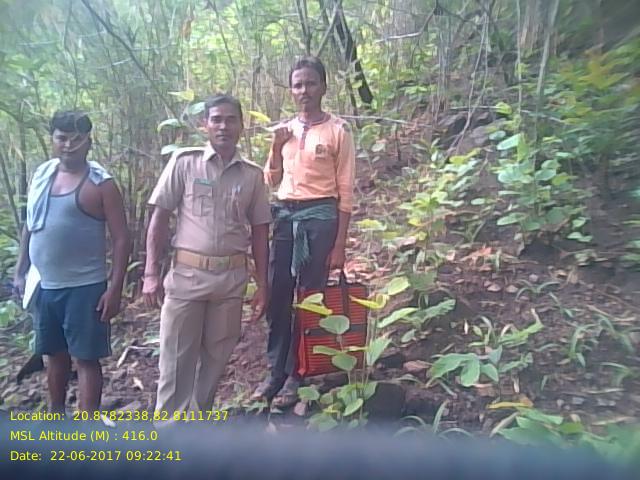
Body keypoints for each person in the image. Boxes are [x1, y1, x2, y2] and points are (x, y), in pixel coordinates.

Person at [143, 94, 271, 418]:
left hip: (230, 282)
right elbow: (159, 217)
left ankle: (198, 429)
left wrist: (262, 284)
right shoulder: (185, 163)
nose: (223, 126)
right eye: (216, 119)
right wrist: (150, 273)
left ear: (241, 126)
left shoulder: (252, 175)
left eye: (230, 120)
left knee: (216, 361)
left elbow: (260, 231)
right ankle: (168, 435)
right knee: (176, 362)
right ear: (205, 125)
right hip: (187, 278)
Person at [253, 56, 356, 407]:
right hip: (285, 217)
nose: (304, 90)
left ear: (323, 87)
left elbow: (345, 193)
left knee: (310, 297)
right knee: (277, 294)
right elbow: (272, 180)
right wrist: (275, 146)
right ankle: (275, 372)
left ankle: (299, 372)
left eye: (311, 83)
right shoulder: (284, 131)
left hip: (320, 218)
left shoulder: (338, 131)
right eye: (298, 85)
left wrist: (340, 245)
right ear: (291, 90)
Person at [12, 110, 131, 413]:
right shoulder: (43, 175)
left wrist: (114, 288)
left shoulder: (101, 184)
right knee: (54, 354)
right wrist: (20, 270)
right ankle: (56, 416)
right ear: (53, 139)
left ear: (88, 142)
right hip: (45, 285)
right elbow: (30, 224)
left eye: (77, 139)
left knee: (86, 358)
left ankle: (87, 425)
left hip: (85, 286)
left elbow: (121, 238)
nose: (69, 145)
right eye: (62, 138)